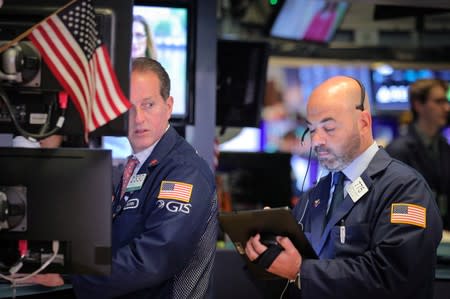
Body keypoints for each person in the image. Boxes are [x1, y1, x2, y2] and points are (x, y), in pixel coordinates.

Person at [28, 57, 218, 298]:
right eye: (128, 108)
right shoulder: (137, 166)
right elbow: (117, 244)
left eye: (148, 105)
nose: (138, 118)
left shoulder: (184, 170)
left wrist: (73, 274)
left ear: (168, 106)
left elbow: (154, 258)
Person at [245, 76, 442, 298]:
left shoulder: (404, 189)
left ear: (364, 123)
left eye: (328, 128)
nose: (317, 141)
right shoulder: (316, 194)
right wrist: (270, 248)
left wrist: (301, 271)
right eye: (311, 130)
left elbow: (396, 277)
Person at [386, 79, 450, 230]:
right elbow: (392, 208)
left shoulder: (445, 149)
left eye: (446, 101)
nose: (446, 108)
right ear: (418, 105)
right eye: (439, 101)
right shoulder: (398, 151)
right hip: (413, 240)